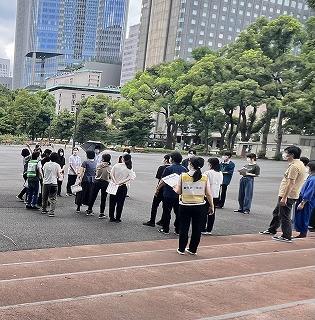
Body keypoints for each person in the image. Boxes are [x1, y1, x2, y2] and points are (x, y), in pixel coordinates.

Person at [260, 146, 306, 242]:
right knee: (277, 212)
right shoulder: (299, 163)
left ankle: (286, 235)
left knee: (284, 215)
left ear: (292, 155)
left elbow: (291, 183)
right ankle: (272, 229)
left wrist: (284, 198)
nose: (284, 154)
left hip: (288, 195)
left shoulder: (294, 166)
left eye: (286, 153)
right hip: (288, 194)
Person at [174, 157, 214, 255]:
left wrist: (174, 187)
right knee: (197, 229)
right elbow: (208, 193)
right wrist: (212, 206)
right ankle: (193, 249)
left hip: (185, 205)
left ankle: (181, 249)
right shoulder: (204, 177)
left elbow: (179, 191)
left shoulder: (183, 176)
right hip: (200, 206)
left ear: (191, 165)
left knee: (184, 228)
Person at [156, 151, 187, 235]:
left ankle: (165, 229)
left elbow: (163, 181)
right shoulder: (184, 169)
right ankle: (178, 229)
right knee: (178, 212)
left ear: (172, 159)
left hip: (168, 193)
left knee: (167, 211)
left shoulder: (168, 169)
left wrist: (157, 189)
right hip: (178, 194)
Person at [143, 154, 170, 227]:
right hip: (169, 190)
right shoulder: (174, 168)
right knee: (166, 207)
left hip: (161, 189)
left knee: (155, 205)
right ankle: (163, 220)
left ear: (166, 160)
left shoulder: (162, 168)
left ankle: (152, 221)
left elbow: (159, 179)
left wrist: (157, 189)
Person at [109, 154, 135, 222]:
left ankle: (111, 217)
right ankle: (118, 218)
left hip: (114, 185)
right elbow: (130, 178)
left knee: (112, 202)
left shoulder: (116, 165)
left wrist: (115, 181)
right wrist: (120, 182)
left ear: (122, 158)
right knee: (120, 203)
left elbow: (111, 174)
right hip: (123, 187)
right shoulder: (129, 167)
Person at [294, 160, 315, 238]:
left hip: (307, 201)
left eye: (308, 167)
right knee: (302, 216)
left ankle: (303, 233)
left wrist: (303, 203)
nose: (306, 168)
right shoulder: (311, 177)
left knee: (304, 216)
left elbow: (309, 192)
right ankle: (302, 232)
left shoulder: (313, 179)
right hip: (304, 199)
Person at [86, 153, 112, 218]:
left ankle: (89, 210)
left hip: (97, 182)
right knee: (103, 198)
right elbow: (110, 177)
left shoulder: (98, 165)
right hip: (105, 183)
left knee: (93, 196)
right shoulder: (109, 168)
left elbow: (95, 172)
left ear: (102, 159)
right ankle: (101, 213)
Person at [202, 158, 223, 235]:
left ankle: (203, 228)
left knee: (204, 212)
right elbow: (220, 183)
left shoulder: (207, 173)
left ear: (210, 164)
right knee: (212, 212)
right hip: (216, 194)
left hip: (207, 194)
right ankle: (209, 229)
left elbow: (203, 182)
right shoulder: (220, 173)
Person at [41, 152, 63, 217]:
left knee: (44, 197)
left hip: (46, 183)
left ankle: (44, 209)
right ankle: (51, 212)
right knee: (53, 198)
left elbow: (44, 172)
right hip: (53, 183)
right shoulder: (57, 165)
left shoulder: (45, 164)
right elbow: (59, 175)